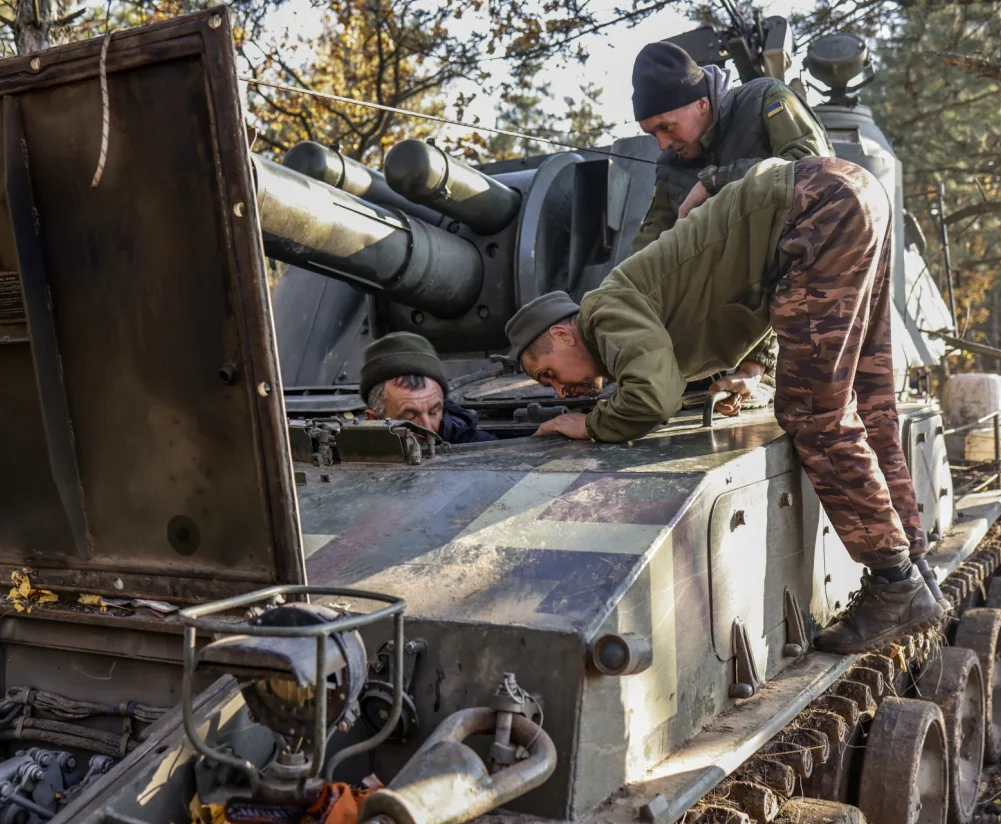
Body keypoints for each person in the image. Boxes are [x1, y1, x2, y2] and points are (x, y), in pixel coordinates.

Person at [502, 155, 942, 654]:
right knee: (871, 400)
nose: (559, 392)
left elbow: (655, 395)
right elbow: (751, 292)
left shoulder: (604, 309)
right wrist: (753, 368)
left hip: (813, 208)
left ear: (563, 334)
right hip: (847, 194)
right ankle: (916, 568)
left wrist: (590, 425)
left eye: (548, 374)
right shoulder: (627, 310)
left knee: (812, 412)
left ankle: (895, 586)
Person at [629, 41, 834, 409]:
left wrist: (715, 181)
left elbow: (814, 171)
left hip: (816, 291)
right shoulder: (672, 167)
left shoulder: (766, 100)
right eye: (651, 133)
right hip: (731, 327)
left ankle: (761, 370)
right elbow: (648, 249)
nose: (661, 143)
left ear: (701, 104)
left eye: (666, 127)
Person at [360, 332, 496, 444]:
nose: (428, 428)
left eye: (433, 412)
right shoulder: (354, 456)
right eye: (409, 417)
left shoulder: (482, 447)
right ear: (374, 420)